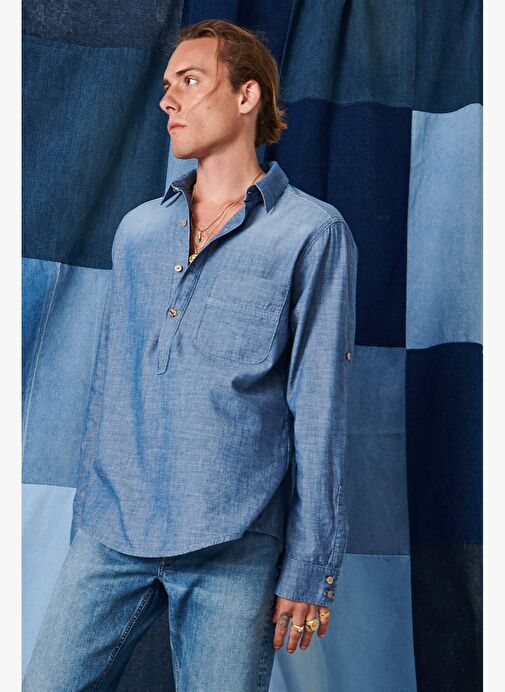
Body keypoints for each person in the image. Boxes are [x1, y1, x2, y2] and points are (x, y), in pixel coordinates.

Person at [23, 18, 358, 691]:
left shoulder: (311, 233)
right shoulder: (138, 231)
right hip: (112, 532)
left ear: (247, 95)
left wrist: (309, 567)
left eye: (190, 80)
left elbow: (319, 406)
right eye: (166, 85)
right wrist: (89, 514)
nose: (167, 100)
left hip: (233, 541)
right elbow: (110, 388)